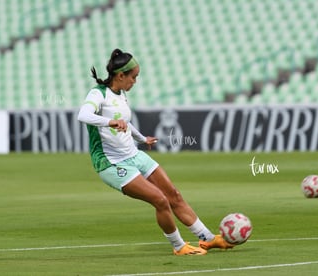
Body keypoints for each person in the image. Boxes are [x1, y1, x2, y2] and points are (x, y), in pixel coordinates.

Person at [77, 49, 234, 255]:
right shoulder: (98, 93)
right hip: (111, 163)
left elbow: (126, 123)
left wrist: (142, 138)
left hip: (133, 155)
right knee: (159, 199)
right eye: (133, 77)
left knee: (173, 195)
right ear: (120, 75)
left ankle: (208, 238)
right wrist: (110, 121)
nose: (135, 82)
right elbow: (83, 114)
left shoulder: (121, 95)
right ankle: (179, 246)